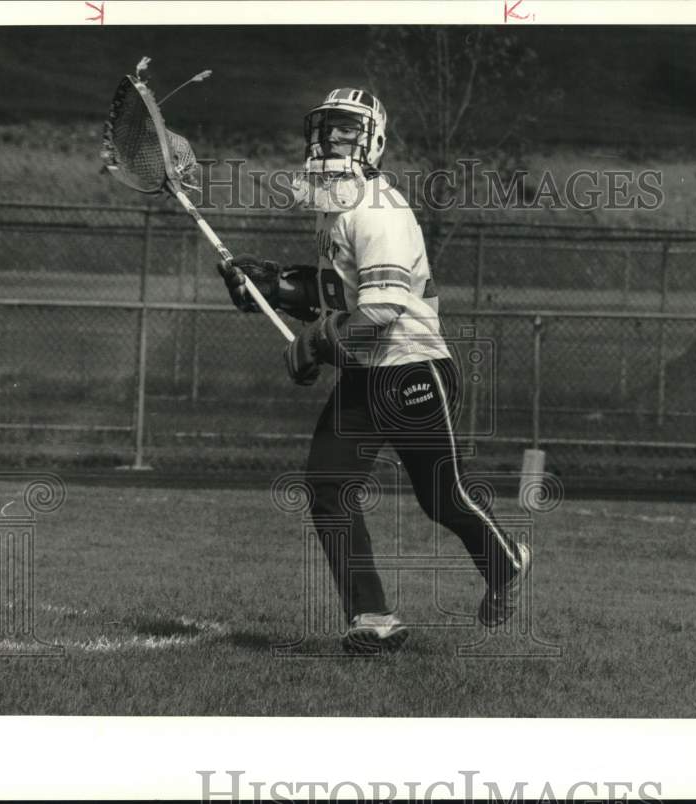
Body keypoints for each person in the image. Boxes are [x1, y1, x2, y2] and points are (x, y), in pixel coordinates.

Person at [217, 88, 529, 653]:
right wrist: (270, 288)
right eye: (326, 129)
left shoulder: (379, 210)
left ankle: (506, 563)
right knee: (329, 487)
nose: (331, 140)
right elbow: (336, 292)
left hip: (411, 366)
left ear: (373, 141)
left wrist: (314, 344)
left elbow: (382, 310)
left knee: (442, 498)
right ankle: (373, 619)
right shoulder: (332, 205)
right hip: (366, 370)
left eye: (346, 131)